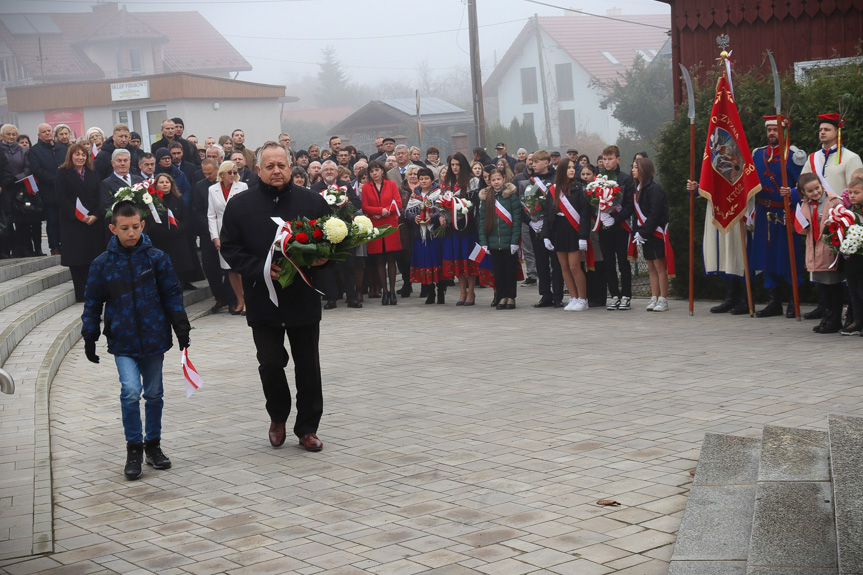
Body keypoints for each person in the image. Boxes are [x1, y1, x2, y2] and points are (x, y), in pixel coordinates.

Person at [219, 142, 329, 451]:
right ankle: (278, 416)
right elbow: (230, 248)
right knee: (269, 363)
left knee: (308, 365)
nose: (276, 171)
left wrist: (324, 260)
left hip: (302, 298)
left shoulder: (312, 203)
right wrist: (261, 269)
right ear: (258, 170)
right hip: (262, 297)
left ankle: (307, 428)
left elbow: (333, 240)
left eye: (281, 165)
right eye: (270, 166)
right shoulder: (241, 205)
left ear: (291, 166)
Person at [81, 200, 190, 480]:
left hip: (154, 337)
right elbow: (92, 302)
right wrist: (90, 335)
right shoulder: (103, 264)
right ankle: (134, 447)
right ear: (113, 228)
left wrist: (181, 327)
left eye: (135, 227)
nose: (131, 233)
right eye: (124, 228)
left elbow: (171, 294)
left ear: (142, 225)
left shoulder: (157, 258)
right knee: (130, 391)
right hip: (123, 339)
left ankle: (153, 445)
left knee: (153, 393)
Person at [750, 116, 806, 318]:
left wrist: (792, 192)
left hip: (786, 212)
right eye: (769, 130)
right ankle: (774, 302)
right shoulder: (758, 154)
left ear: (783, 131)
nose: (772, 133)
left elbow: (806, 185)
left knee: (789, 257)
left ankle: (793, 301)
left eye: (775, 129)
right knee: (766, 257)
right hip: (765, 212)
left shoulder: (794, 155)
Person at [789, 173, 844, 333]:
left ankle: (835, 320)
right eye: (810, 191)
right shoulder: (805, 205)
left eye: (817, 188)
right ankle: (826, 317)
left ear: (822, 185)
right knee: (823, 287)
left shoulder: (834, 202)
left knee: (833, 286)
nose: (815, 192)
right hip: (814, 250)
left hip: (829, 250)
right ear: (803, 192)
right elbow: (804, 229)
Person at [55, 143, 105, 301]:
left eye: (83, 155)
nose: (80, 157)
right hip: (73, 223)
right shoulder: (62, 172)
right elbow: (61, 198)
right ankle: (81, 294)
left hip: (92, 221)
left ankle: (95, 292)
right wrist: (78, 215)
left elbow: (99, 196)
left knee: (92, 258)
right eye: (77, 154)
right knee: (77, 260)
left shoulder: (92, 172)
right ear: (70, 156)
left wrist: (95, 215)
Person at [311, 160, 362, 309]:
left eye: (331, 170)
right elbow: (313, 207)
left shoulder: (345, 186)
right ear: (321, 173)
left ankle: (351, 298)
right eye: (325, 170)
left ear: (336, 172)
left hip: (345, 230)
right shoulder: (315, 188)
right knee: (328, 267)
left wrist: (344, 204)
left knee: (348, 265)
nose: (329, 172)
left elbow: (357, 203)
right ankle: (331, 298)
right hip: (326, 232)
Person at [543, 158, 590, 311]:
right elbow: (548, 213)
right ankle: (574, 297)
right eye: (568, 167)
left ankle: (583, 299)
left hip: (574, 230)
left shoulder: (579, 188)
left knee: (575, 266)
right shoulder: (553, 190)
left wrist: (583, 236)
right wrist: (546, 236)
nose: (572, 170)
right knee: (564, 267)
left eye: (573, 167)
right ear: (562, 170)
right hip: (559, 229)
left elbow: (584, 213)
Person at [519, 150, 563, 308]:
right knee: (541, 261)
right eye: (532, 163)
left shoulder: (556, 179)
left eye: (536, 162)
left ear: (546, 162)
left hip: (553, 227)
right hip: (536, 227)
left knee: (556, 262)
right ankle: (545, 294)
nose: (533, 165)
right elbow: (522, 205)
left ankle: (558, 295)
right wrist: (531, 222)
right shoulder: (529, 181)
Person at [440, 152, 483, 306]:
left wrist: (461, 213)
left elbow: (474, 204)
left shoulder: (472, 181)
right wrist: (442, 216)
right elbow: (442, 203)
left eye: (457, 164)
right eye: (452, 165)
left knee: (468, 259)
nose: (455, 167)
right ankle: (462, 291)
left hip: (467, 226)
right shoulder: (447, 182)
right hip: (452, 228)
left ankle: (471, 291)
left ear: (463, 165)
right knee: (457, 259)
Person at [598, 145, 635, 310]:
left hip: (620, 227)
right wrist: (603, 216)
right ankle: (613, 294)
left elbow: (629, 205)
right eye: (605, 159)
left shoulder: (626, 179)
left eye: (610, 159)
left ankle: (626, 294)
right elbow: (593, 201)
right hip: (604, 227)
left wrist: (616, 218)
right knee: (608, 262)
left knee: (623, 261)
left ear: (618, 160)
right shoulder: (598, 179)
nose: (607, 162)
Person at [208, 161, 248, 315]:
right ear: (222, 174)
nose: (232, 175)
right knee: (229, 269)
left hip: (239, 230)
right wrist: (215, 237)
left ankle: (248, 301)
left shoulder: (242, 187)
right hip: (222, 232)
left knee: (241, 268)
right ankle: (240, 300)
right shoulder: (212, 190)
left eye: (234, 172)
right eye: (229, 172)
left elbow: (247, 211)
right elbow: (211, 215)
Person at [192, 159, 232, 313]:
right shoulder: (200, 186)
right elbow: (197, 209)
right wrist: (209, 226)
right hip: (207, 232)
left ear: (217, 170)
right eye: (204, 173)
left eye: (210, 173)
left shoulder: (226, 184)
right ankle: (219, 297)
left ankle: (230, 296)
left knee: (229, 265)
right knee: (210, 266)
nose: (207, 176)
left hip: (226, 230)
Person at [631, 157, 671, 312]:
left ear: (643, 169)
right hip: (645, 233)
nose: (633, 170)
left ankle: (663, 299)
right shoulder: (638, 190)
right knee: (651, 266)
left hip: (656, 233)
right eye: (633, 167)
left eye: (636, 167)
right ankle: (654, 297)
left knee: (660, 266)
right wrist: (637, 232)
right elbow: (635, 214)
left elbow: (655, 214)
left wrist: (644, 232)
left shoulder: (654, 189)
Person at [479, 168, 522, 309]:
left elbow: (516, 221)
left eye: (498, 179)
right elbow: (482, 222)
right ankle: (501, 296)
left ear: (504, 179)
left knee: (510, 270)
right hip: (493, 242)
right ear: (489, 181)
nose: (496, 182)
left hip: (509, 241)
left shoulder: (511, 197)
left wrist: (515, 241)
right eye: (493, 180)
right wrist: (484, 243)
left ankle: (511, 297)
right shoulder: (486, 198)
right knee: (498, 272)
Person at [362, 160, 403, 304]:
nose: (374, 173)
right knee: (379, 259)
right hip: (376, 224)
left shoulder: (391, 184)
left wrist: (387, 211)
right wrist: (378, 211)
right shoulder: (367, 187)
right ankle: (384, 291)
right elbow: (365, 206)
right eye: (372, 171)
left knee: (391, 259)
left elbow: (398, 203)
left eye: (377, 170)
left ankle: (392, 291)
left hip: (390, 223)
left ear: (382, 171)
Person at [147, 173, 196, 290]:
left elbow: (186, 219)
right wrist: (163, 232)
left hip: (178, 237)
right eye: (161, 182)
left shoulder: (178, 199)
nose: (164, 185)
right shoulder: (152, 202)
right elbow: (151, 221)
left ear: (171, 184)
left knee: (180, 264)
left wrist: (177, 230)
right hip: (162, 239)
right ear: (156, 185)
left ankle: (182, 283)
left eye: (167, 182)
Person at [405, 167, 445, 304]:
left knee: (437, 262)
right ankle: (430, 291)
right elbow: (407, 212)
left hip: (435, 234)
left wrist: (432, 218)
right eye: (421, 179)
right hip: (420, 235)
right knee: (424, 262)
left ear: (432, 180)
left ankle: (441, 291)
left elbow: (443, 210)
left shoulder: (439, 193)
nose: (423, 181)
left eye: (426, 178)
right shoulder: (414, 195)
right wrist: (414, 218)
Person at [0, 123, 40, 257]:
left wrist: (17, 178)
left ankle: (24, 249)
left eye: (13, 134)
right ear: (2, 136)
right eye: (8, 134)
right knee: (7, 221)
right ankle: (7, 250)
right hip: (5, 189)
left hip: (21, 187)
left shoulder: (23, 151)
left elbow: (28, 167)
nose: (11, 137)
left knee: (22, 219)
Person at [29, 123, 68, 255]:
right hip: (48, 192)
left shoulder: (62, 148)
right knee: (52, 220)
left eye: (49, 131)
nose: (47, 133)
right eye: (44, 132)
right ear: (39, 135)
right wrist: (56, 180)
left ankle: (66, 244)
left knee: (65, 219)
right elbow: (37, 170)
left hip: (64, 191)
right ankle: (54, 246)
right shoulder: (35, 151)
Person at [838, 175, 863, 334]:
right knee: (853, 291)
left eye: (857, 192)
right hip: (851, 258)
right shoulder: (849, 211)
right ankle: (857, 321)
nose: (852, 195)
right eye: (851, 192)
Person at [579, 163, 607, 308]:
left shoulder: (599, 188)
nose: (585, 177)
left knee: (598, 262)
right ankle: (589, 295)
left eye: (588, 174)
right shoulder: (578, 189)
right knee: (584, 264)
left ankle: (600, 296)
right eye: (583, 174)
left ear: (594, 174)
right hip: (583, 228)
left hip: (596, 227)